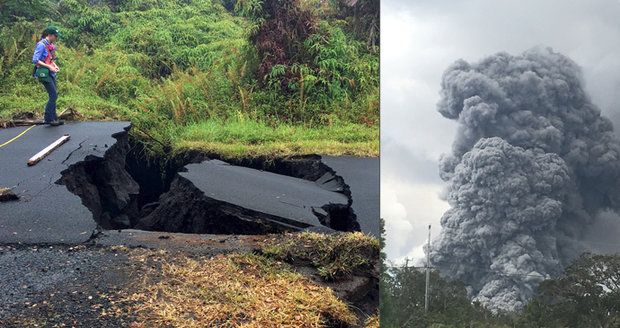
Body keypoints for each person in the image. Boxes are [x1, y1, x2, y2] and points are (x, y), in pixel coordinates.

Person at [32, 26, 63, 126]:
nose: (56, 38)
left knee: (54, 95)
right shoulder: (41, 45)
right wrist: (49, 67)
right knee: (53, 95)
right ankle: (48, 119)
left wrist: (54, 65)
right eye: (55, 36)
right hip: (44, 73)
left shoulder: (50, 45)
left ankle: (54, 118)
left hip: (51, 73)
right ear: (49, 35)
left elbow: (50, 59)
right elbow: (35, 60)